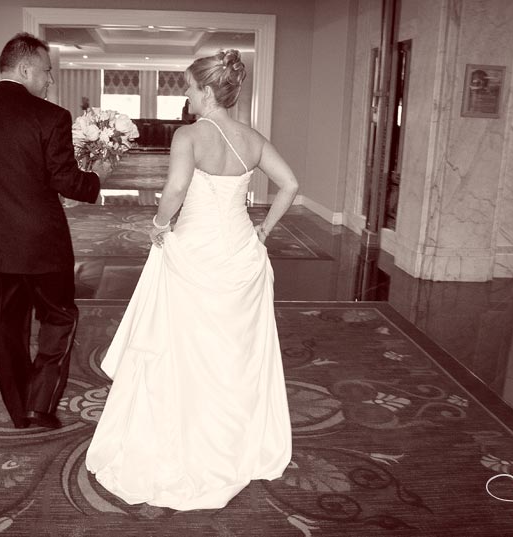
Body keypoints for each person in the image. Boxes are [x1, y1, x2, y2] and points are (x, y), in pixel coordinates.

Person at [86, 49, 299, 510]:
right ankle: (234, 437)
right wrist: (264, 229)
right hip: (241, 252)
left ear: (206, 91)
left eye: (187, 86)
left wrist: (159, 227)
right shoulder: (253, 138)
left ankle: (186, 432)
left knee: (183, 345)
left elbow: (176, 190)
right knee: (232, 350)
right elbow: (291, 185)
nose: (184, 94)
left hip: (196, 253)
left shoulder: (190, 135)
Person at [0, 33, 106, 430]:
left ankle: (19, 412)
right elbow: (66, 180)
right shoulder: (51, 117)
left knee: (5, 329)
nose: (50, 81)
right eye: (47, 72)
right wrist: (99, 179)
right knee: (59, 317)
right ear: (26, 68)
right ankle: (41, 405)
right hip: (43, 244)